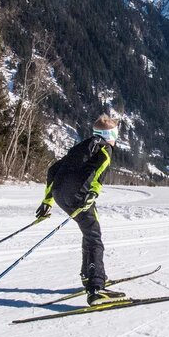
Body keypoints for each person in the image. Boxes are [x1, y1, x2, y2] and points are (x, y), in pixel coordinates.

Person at [35, 115, 129, 306]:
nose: (115, 139)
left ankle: (89, 275)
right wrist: (93, 192)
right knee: (94, 237)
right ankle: (96, 289)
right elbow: (102, 168)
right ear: (110, 134)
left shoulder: (81, 146)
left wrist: (48, 201)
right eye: (115, 134)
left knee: (88, 232)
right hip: (79, 196)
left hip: (60, 193)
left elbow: (53, 169)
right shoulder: (105, 147)